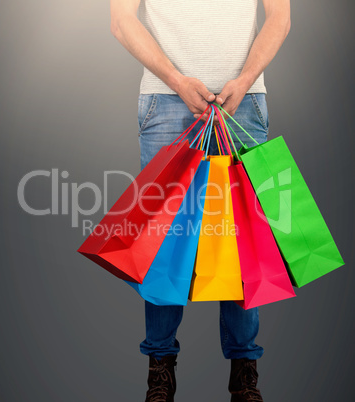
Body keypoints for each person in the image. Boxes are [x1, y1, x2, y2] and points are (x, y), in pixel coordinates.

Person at [110, 1, 291, 401]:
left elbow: (280, 15)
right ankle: (160, 370)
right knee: (163, 244)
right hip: (166, 100)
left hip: (242, 101)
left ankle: (245, 374)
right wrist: (176, 79)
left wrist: (244, 80)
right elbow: (122, 21)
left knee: (243, 238)